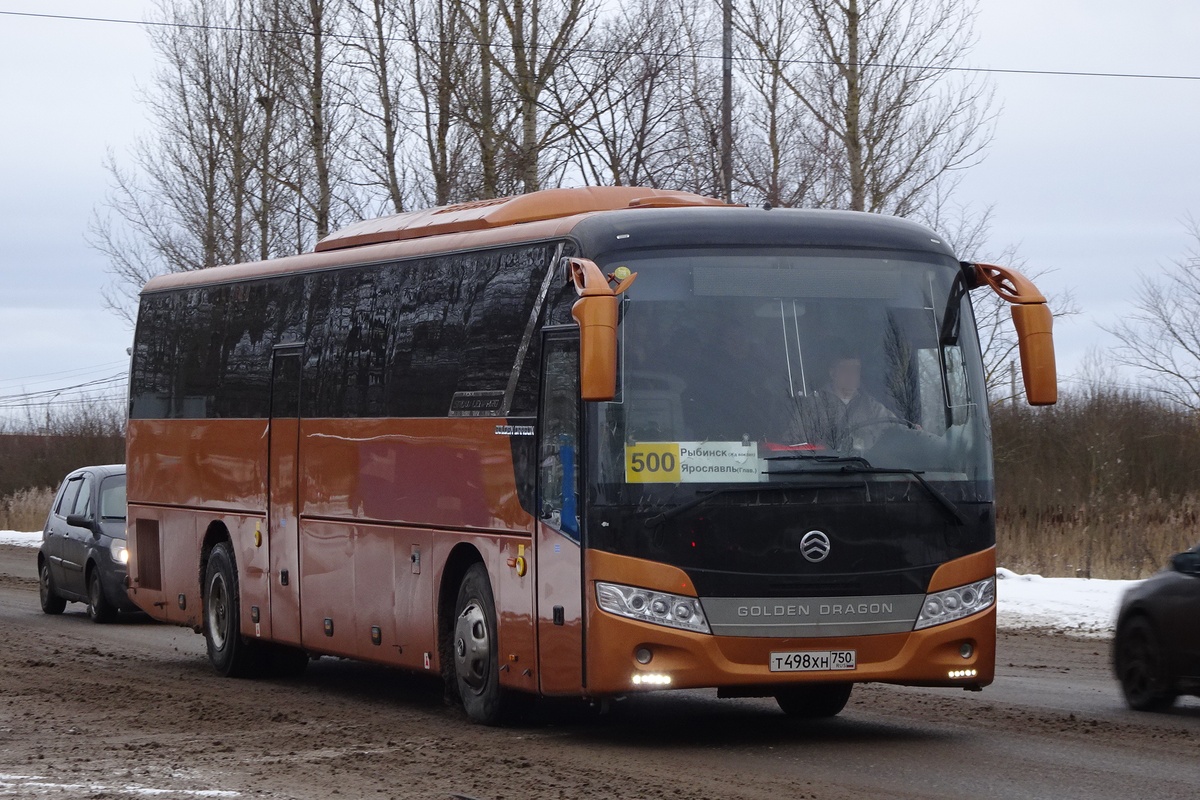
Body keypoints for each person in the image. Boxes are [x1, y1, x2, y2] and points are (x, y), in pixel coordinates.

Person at [796, 347, 903, 451]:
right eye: (845, 369)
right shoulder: (812, 406)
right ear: (832, 373)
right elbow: (794, 442)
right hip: (824, 467)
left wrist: (913, 432)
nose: (851, 375)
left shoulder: (872, 407)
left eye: (855, 369)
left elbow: (897, 430)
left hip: (866, 467)